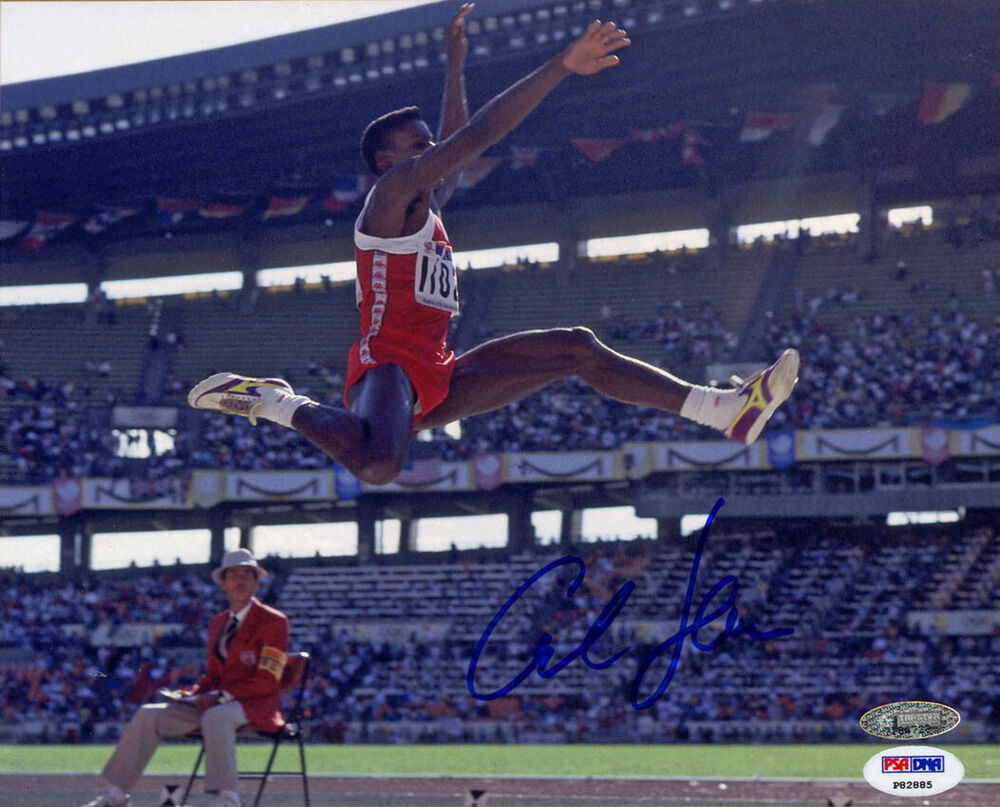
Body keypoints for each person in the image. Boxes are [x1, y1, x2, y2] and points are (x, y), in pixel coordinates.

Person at [189, 4, 799, 485]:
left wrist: (455, 67)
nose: (432, 152)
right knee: (378, 466)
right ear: (386, 161)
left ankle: (723, 410)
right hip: (390, 367)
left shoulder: (425, 204)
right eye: (418, 146)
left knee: (577, 348)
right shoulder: (388, 200)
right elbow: (475, 138)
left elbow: (459, 142)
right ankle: (274, 401)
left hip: (439, 368)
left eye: (429, 143)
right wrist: (561, 66)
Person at [80, 549, 289, 807]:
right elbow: (213, 675)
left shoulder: (274, 621)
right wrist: (193, 695)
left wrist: (219, 696)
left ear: (257, 581)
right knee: (149, 714)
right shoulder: (218, 623)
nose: (240, 579)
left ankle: (228, 799)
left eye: (247, 573)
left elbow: (268, 680)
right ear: (223, 583)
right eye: (233, 574)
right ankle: (116, 795)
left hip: (255, 705)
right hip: (218, 703)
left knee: (216, 716)